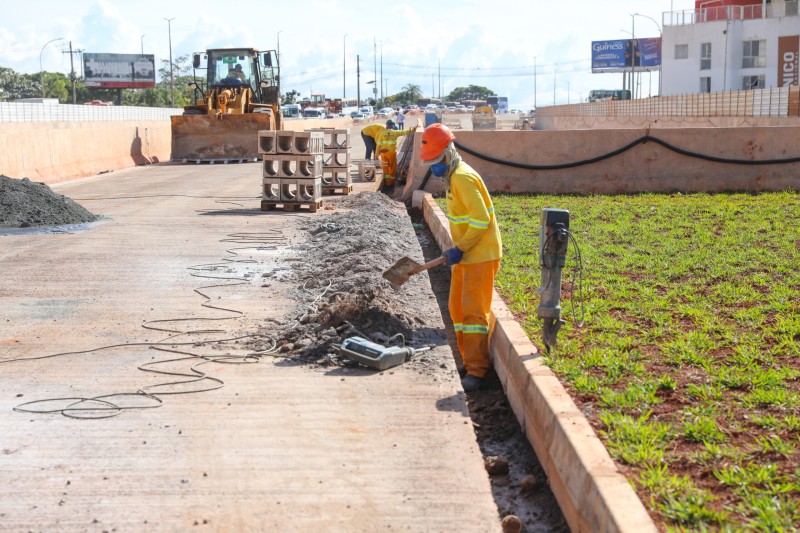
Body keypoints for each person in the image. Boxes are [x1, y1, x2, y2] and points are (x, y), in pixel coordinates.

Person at [419, 123, 502, 392]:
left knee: (474, 312)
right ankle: (468, 361)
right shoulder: (452, 177)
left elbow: (481, 220)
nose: (434, 167)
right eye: (430, 162)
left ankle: (478, 371)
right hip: (467, 255)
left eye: (436, 161)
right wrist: (459, 250)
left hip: (480, 255)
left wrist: (460, 248)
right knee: (456, 308)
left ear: (448, 153)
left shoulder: (463, 178)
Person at [376, 118, 414, 186]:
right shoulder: (395, 132)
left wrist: (376, 153)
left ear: (387, 125)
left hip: (383, 153)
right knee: (392, 167)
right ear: (393, 125)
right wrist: (413, 129)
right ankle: (391, 182)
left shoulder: (382, 133)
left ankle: (386, 182)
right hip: (391, 153)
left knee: (385, 167)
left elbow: (379, 144)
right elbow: (405, 132)